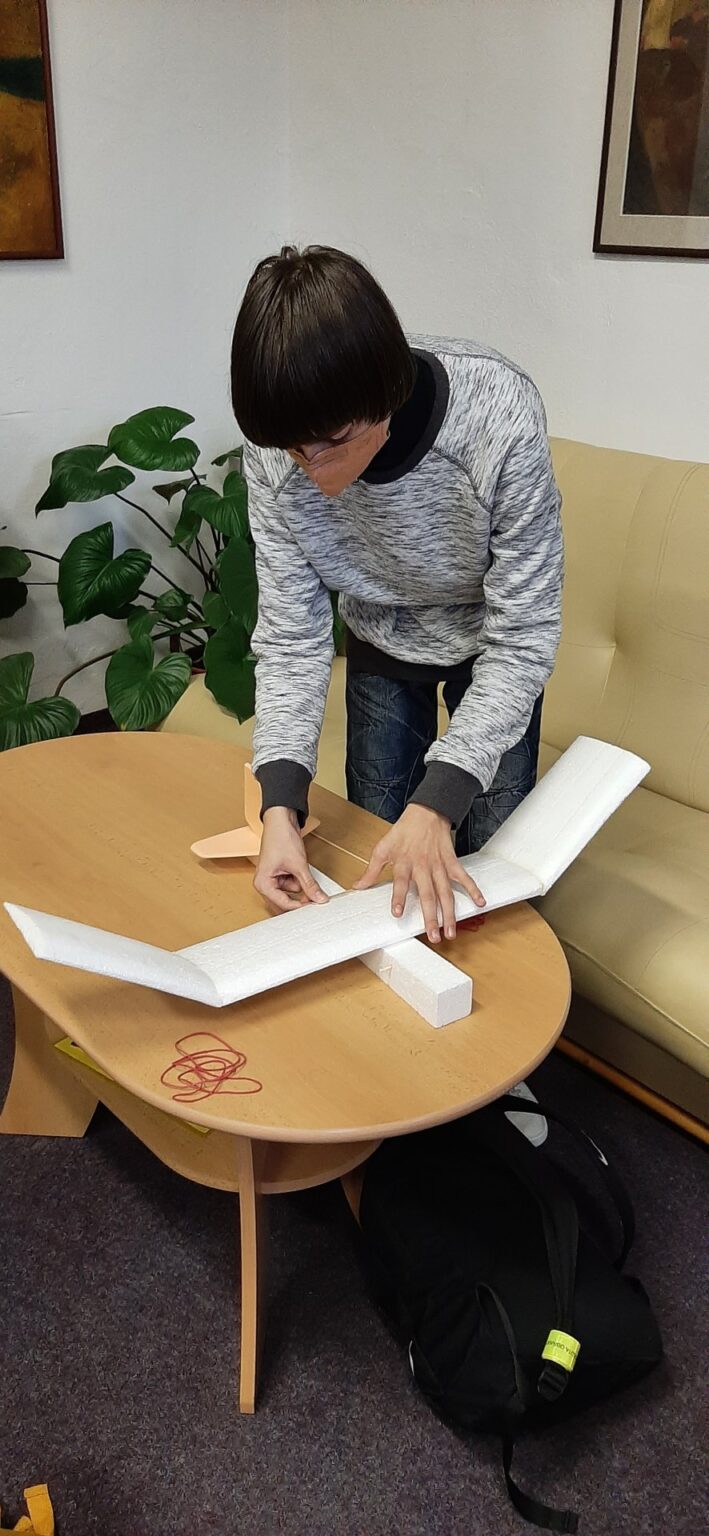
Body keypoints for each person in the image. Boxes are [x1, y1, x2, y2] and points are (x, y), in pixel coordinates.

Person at [230, 245, 563, 946]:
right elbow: (291, 638)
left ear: (386, 396)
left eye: (330, 443)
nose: (311, 471)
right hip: (379, 635)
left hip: (493, 648)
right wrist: (278, 809)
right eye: (291, 450)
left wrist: (439, 802)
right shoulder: (276, 446)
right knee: (379, 869)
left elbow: (525, 633)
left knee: (496, 877)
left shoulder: (497, 414)